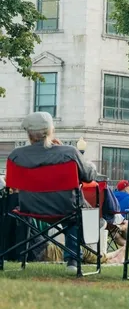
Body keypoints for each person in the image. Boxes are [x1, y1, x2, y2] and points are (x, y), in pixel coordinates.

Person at [7, 112, 97, 275]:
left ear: (29, 134)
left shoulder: (16, 156)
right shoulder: (69, 153)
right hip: (66, 208)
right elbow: (89, 176)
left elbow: (11, 185)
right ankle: (73, 259)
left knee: (74, 212)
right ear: (50, 131)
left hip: (29, 208)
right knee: (75, 216)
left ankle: (23, 258)